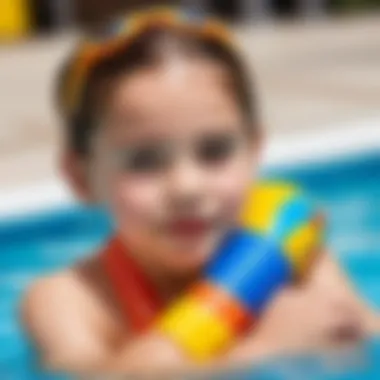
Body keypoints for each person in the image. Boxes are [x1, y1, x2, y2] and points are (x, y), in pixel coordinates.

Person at [21, 7, 379, 374]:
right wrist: (262, 350)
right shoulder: (70, 300)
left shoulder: (293, 256)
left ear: (254, 152)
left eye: (215, 152)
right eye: (145, 160)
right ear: (80, 178)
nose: (187, 187)